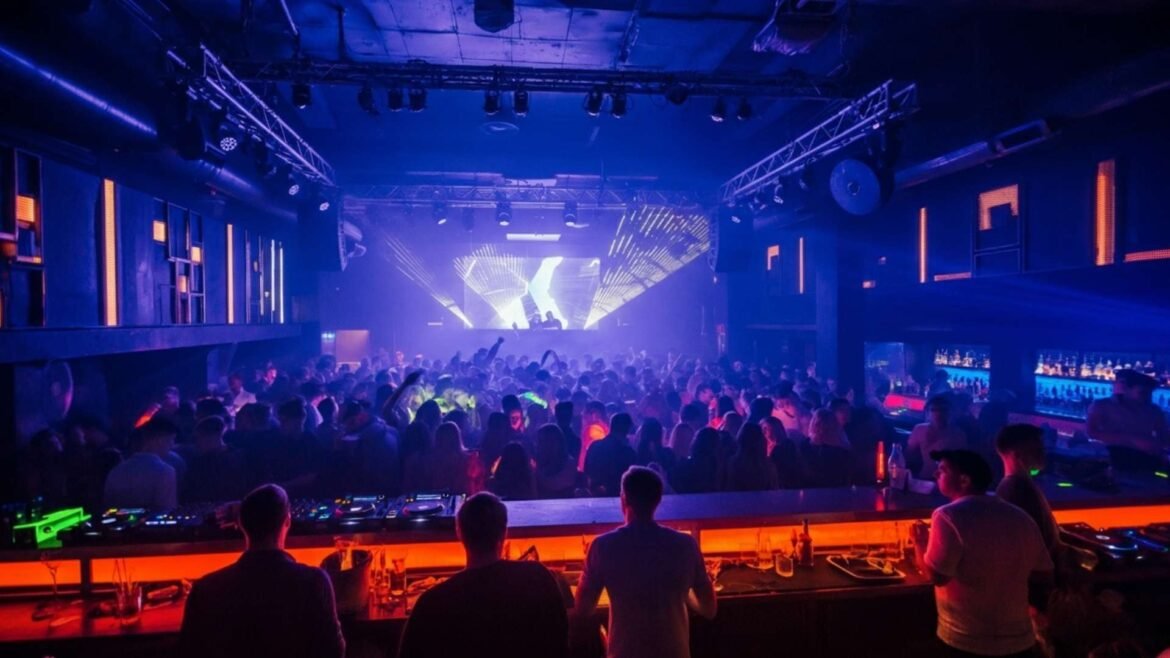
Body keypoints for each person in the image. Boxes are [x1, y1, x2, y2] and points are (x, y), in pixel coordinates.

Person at [910, 449, 1053, 658]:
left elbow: (936, 575)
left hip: (967, 639)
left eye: (942, 470)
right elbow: (1044, 572)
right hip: (1021, 641)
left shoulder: (947, 515)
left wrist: (919, 542)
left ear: (964, 480)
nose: (935, 474)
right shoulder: (1020, 516)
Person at [179, 484, 344, 658]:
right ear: (287, 521)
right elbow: (334, 651)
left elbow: (187, 652)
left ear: (241, 524)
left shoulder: (205, 589)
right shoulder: (314, 582)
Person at [398, 492, 568, 658]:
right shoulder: (538, 578)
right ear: (504, 532)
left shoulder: (431, 602)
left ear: (459, 533)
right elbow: (561, 644)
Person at [575, 467, 716, 658]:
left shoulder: (602, 546)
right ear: (657, 500)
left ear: (623, 499)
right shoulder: (686, 545)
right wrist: (683, 591)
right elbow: (709, 609)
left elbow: (583, 608)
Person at [1087, 369, 1169, 470]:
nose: (1147, 398)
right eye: (1142, 393)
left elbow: (1164, 437)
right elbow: (1091, 432)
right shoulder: (1102, 405)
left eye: (1150, 394)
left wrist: (1158, 447)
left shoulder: (1154, 410)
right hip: (1109, 458)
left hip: (1145, 459)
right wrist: (1132, 440)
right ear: (1127, 389)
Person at [103, 418, 179, 510]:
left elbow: (109, 507)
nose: (172, 445)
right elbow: (166, 510)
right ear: (160, 441)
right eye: (172, 439)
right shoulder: (165, 471)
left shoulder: (117, 470)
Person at [907, 395, 968, 479]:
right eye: (934, 410)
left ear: (950, 413)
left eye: (943, 410)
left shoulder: (958, 434)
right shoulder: (920, 429)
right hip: (925, 479)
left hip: (949, 482)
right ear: (927, 413)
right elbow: (909, 455)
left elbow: (964, 463)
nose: (938, 413)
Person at [584, 412, 637, 496]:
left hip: (595, 496)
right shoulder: (627, 452)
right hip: (618, 497)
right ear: (627, 430)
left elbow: (586, 470)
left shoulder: (594, 445)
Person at [725, 423, 779, 491]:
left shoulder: (732, 463)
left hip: (739, 501)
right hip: (764, 501)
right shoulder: (768, 465)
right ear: (761, 441)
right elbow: (774, 490)